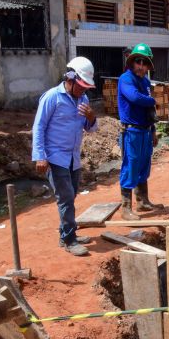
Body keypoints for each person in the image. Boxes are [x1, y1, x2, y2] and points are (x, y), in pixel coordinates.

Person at [32, 57, 98, 257]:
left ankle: (66, 235)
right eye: (81, 85)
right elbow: (39, 127)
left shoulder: (84, 100)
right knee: (66, 198)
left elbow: (91, 129)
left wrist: (91, 117)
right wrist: (40, 156)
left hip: (73, 157)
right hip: (55, 157)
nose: (83, 90)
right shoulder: (52, 97)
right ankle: (69, 239)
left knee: (71, 195)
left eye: (86, 87)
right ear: (70, 77)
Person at [118, 43, 163, 220]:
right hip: (132, 132)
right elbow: (134, 98)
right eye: (138, 62)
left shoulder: (145, 82)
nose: (141, 66)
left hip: (145, 131)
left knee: (144, 166)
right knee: (130, 166)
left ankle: (142, 201)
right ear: (132, 62)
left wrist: (153, 130)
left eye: (144, 63)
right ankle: (126, 208)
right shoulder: (125, 79)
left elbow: (149, 111)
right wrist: (152, 100)